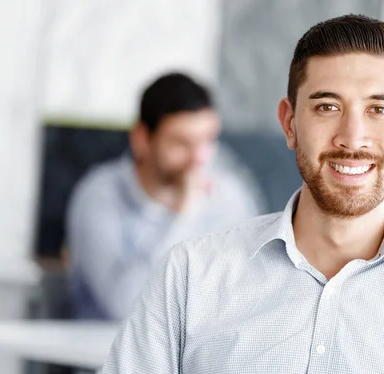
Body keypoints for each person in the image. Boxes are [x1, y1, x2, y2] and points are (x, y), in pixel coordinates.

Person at [94, 15, 384, 374]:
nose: (352, 137)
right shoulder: (188, 277)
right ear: (289, 123)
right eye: (327, 106)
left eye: (379, 109)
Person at [66, 72, 264, 321]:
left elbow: (251, 295)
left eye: (207, 141)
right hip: (106, 354)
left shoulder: (230, 197)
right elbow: (126, 307)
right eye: (181, 143)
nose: (199, 159)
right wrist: (185, 213)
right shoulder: (100, 196)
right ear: (142, 139)